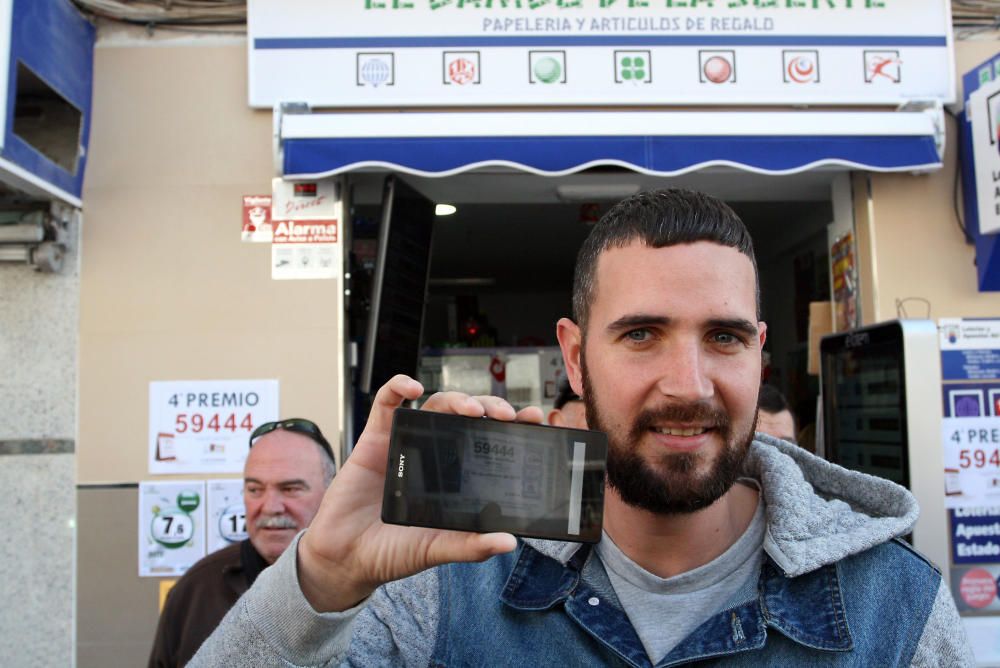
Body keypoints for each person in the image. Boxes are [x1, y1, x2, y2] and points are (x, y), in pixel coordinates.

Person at [193, 189, 972, 666]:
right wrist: (319, 583)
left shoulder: (891, 608)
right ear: (574, 356)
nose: (689, 385)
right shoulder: (444, 590)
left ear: (760, 354)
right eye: (641, 335)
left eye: (725, 338)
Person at [148, 418, 336, 668]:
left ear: (332, 492)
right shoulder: (195, 592)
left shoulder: (374, 591)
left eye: (290, 489)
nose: (270, 507)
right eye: (255, 490)